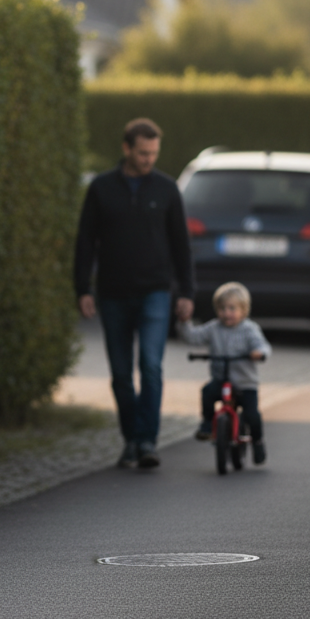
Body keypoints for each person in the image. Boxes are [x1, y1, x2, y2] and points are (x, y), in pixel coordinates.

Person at [74, 117, 195, 469]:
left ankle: (147, 442)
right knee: (121, 373)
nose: (149, 160)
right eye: (143, 153)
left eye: (154, 153)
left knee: (151, 365)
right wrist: (82, 288)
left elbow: (181, 245)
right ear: (126, 148)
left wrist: (186, 292)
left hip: (155, 292)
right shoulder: (101, 189)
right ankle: (130, 438)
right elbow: (85, 242)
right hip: (112, 293)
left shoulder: (167, 189)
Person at [178, 281, 271, 465]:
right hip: (221, 380)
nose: (227, 313)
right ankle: (207, 423)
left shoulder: (249, 329)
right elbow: (193, 336)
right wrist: (184, 322)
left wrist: (259, 353)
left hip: (245, 382)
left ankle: (258, 442)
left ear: (244, 310)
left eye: (232, 308)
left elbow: (263, 346)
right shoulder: (214, 328)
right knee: (207, 392)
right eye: (222, 309)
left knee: (252, 415)